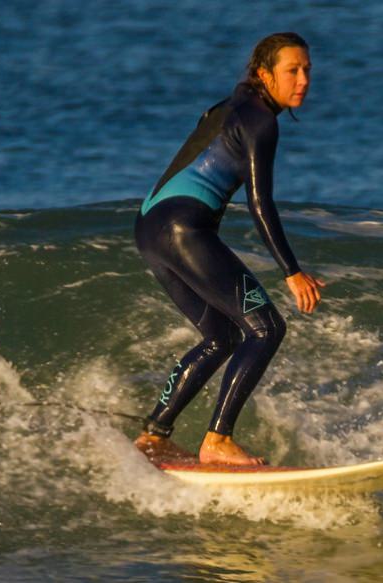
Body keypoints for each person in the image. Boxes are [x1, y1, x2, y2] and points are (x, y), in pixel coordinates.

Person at [134, 32, 324, 466]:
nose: (303, 80)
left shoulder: (228, 106)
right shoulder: (261, 120)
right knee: (267, 328)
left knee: (221, 336)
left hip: (150, 226)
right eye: (292, 70)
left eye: (307, 70)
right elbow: (260, 203)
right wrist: (291, 271)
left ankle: (153, 435)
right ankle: (217, 440)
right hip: (184, 229)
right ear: (264, 74)